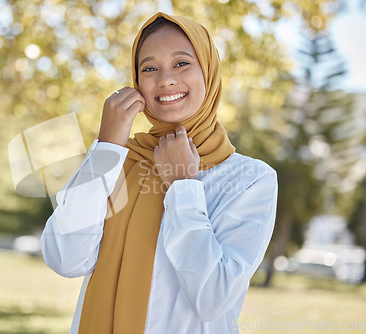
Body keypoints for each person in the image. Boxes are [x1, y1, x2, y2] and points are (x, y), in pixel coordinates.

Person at [40, 12, 278, 334]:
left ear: (208, 70)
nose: (165, 79)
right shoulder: (116, 163)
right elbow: (65, 259)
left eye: (181, 63)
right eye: (149, 68)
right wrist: (107, 145)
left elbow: (211, 298)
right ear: (137, 83)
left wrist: (183, 186)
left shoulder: (248, 179)